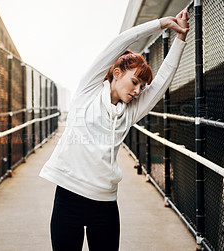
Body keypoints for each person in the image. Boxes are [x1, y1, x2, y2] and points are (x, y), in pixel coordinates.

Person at [39, 8, 190, 251]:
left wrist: (180, 39)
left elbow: (162, 82)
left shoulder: (130, 111)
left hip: (105, 203)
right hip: (68, 198)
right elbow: (118, 43)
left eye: (142, 86)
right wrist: (162, 24)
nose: (138, 91)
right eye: (134, 82)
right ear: (116, 74)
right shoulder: (87, 92)